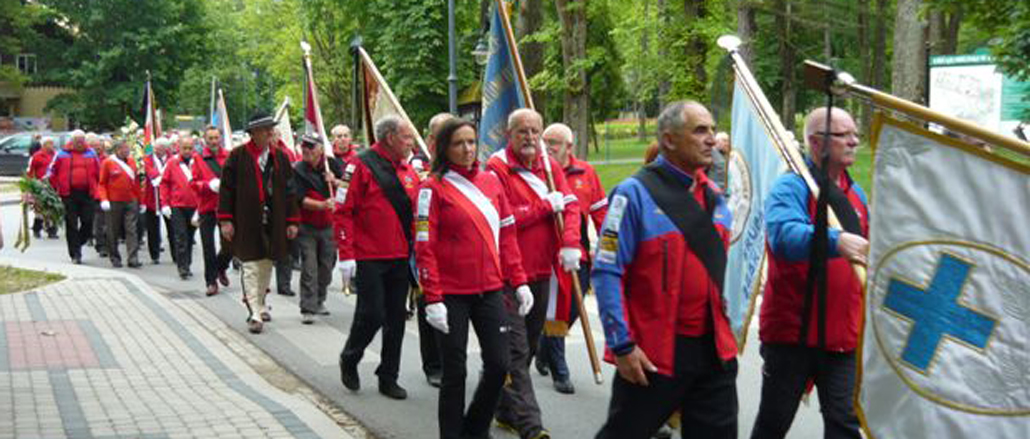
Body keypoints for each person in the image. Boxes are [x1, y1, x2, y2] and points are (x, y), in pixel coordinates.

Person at [593, 101, 738, 439]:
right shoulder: (633, 195)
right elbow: (606, 272)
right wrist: (622, 345)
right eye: (700, 131)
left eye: (712, 130)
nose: (711, 139)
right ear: (670, 140)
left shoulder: (715, 198)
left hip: (714, 350)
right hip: (655, 353)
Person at [750, 107, 869, 439]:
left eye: (854, 133)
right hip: (793, 336)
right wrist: (837, 241)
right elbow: (784, 236)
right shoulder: (791, 188)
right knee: (774, 423)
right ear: (817, 143)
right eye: (843, 135)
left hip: (842, 335)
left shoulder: (855, 194)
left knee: (845, 423)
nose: (854, 141)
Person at [416, 118, 532, 439]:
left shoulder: (492, 182)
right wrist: (433, 298)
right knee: (455, 372)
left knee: (499, 365)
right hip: (450, 295)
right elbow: (424, 247)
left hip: (491, 290)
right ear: (444, 149)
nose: (467, 149)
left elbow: (507, 235)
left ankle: (474, 430)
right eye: (458, 144)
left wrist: (519, 280)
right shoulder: (431, 188)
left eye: (471, 142)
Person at [486, 108, 581, 439]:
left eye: (534, 131)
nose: (529, 138)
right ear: (509, 134)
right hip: (509, 275)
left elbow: (570, 205)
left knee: (525, 345)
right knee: (515, 350)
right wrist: (543, 207)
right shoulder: (496, 168)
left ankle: (502, 407)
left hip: (543, 271)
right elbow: (502, 217)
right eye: (522, 131)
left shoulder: (550, 166)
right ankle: (531, 425)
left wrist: (571, 244)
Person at [335, 115, 420, 400]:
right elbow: (342, 210)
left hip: (401, 257)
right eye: (407, 138)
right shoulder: (359, 165)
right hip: (369, 256)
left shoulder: (409, 171)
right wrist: (346, 254)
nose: (411, 143)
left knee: (396, 318)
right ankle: (350, 356)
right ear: (390, 138)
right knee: (371, 314)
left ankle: (388, 375)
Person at [533, 123, 608, 395]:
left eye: (555, 142)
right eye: (546, 140)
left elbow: (601, 212)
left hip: (578, 253)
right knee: (557, 309)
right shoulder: (537, 171)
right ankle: (560, 371)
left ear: (569, 147)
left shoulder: (586, 172)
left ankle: (544, 347)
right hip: (546, 254)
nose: (548, 146)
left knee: (573, 310)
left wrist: (612, 249)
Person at [218, 112, 300, 334]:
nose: (270, 132)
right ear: (254, 133)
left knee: (266, 263)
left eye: (270, 128)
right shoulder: (237, 156)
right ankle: (253, 311)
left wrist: (292, 220)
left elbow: (291, 191)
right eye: (265, 129)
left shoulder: (281, 158)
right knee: (250, 265)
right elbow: (226, 191)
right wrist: (225, 220)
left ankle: (261, 302)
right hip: (246, 220)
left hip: (274, 220)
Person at [415, 112, 455, 388]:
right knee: (428, 303)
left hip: (456, 254)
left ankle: (451, 360)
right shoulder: (418, 169)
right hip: (424, 247)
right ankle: (433, 365)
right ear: (432, 140)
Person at [293, 134, 342, 324]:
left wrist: (335, 181)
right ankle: (308, 307)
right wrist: (322, 205)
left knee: (326, 266)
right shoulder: (298, 170)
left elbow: (350, 187)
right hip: (307, 226)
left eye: (311, 147)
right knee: (310, 267)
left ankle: (320, 298)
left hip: (329, 226)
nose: (307, 150)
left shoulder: (333, 165)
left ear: (321, 149)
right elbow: (299, 199)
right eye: (304, 146)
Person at [48, 130, 101, 264]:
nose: (79, 143)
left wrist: (99, 189)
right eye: (77, 140)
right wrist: (54, 187)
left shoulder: (91, 153)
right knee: (71, 224)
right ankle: (75, 253)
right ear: (72, 141)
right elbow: (52, 171)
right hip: (69, 194)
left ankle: (79, 241)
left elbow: (99, 172)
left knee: (88, 221)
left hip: (87, 193)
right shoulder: (62, 154)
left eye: (82, 140)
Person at [192, 126, 232, 296]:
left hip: (226, 208)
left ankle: (221, 267)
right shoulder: (198, 158)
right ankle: (211, 282)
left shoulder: (229, 156)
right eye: (211, 138)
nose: (214, 141)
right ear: (205, 140)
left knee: (230, 245)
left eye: (216, 138)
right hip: (207, 207)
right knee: (208, 246)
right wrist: (207, 186)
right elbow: (193, 183)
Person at [97, 140, 142, 268]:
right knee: (113, 230)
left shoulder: (132, 162)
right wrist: (104, 199)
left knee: (131, 229)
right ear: (117, 150)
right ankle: (115, 257)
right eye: (124, 148)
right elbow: (102, 183)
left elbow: (136, 183)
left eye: (127, 148)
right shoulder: (108, 163)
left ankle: (133, 258)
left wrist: (140, 200)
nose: (127, 151)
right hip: (114, 201)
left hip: (131, 200)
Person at [161, 136, 200, 280]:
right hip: (177, 206)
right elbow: (164, 183)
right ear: (179, 147)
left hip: (194, 206)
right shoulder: (172, 163)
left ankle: (187, 263)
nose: (187, 151)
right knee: (180, 236)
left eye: (190, 148)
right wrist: (165, 203)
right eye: (185, 148)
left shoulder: (198, 162)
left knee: (190, 237)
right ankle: (182, 266)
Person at [144, 137, 174, 264]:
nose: (156, 150)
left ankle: (176, 255)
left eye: (159, 148)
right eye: (155, 147)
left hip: (169, 198)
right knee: (153, 228)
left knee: (172, 228)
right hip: (152, 197)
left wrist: (163, 177)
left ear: (165, 149)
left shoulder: (172, 159)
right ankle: (154, 254)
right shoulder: (148, 158)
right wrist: (159, 176)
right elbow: (149, 171)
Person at [28, 136, 59, 239]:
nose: (52, 145)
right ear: (44, 145)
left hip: (53, 185)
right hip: (40, 186)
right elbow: (31, 171)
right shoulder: (37, 156)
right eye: (49, 143)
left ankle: (52, 230)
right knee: (40, 209)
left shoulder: (56, 155)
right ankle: (37, 228)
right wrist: (31, 185)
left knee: (53, 209)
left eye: (52, 143)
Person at [87, 132, 110, 257]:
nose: (97, 149)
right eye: (95, 147)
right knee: (95, 220)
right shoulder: (88, 158)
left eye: (99, 146)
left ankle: (103, 245)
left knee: (103, 221)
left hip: (103, 194)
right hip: (90, 192)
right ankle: (95, 240)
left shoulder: (106, 159)